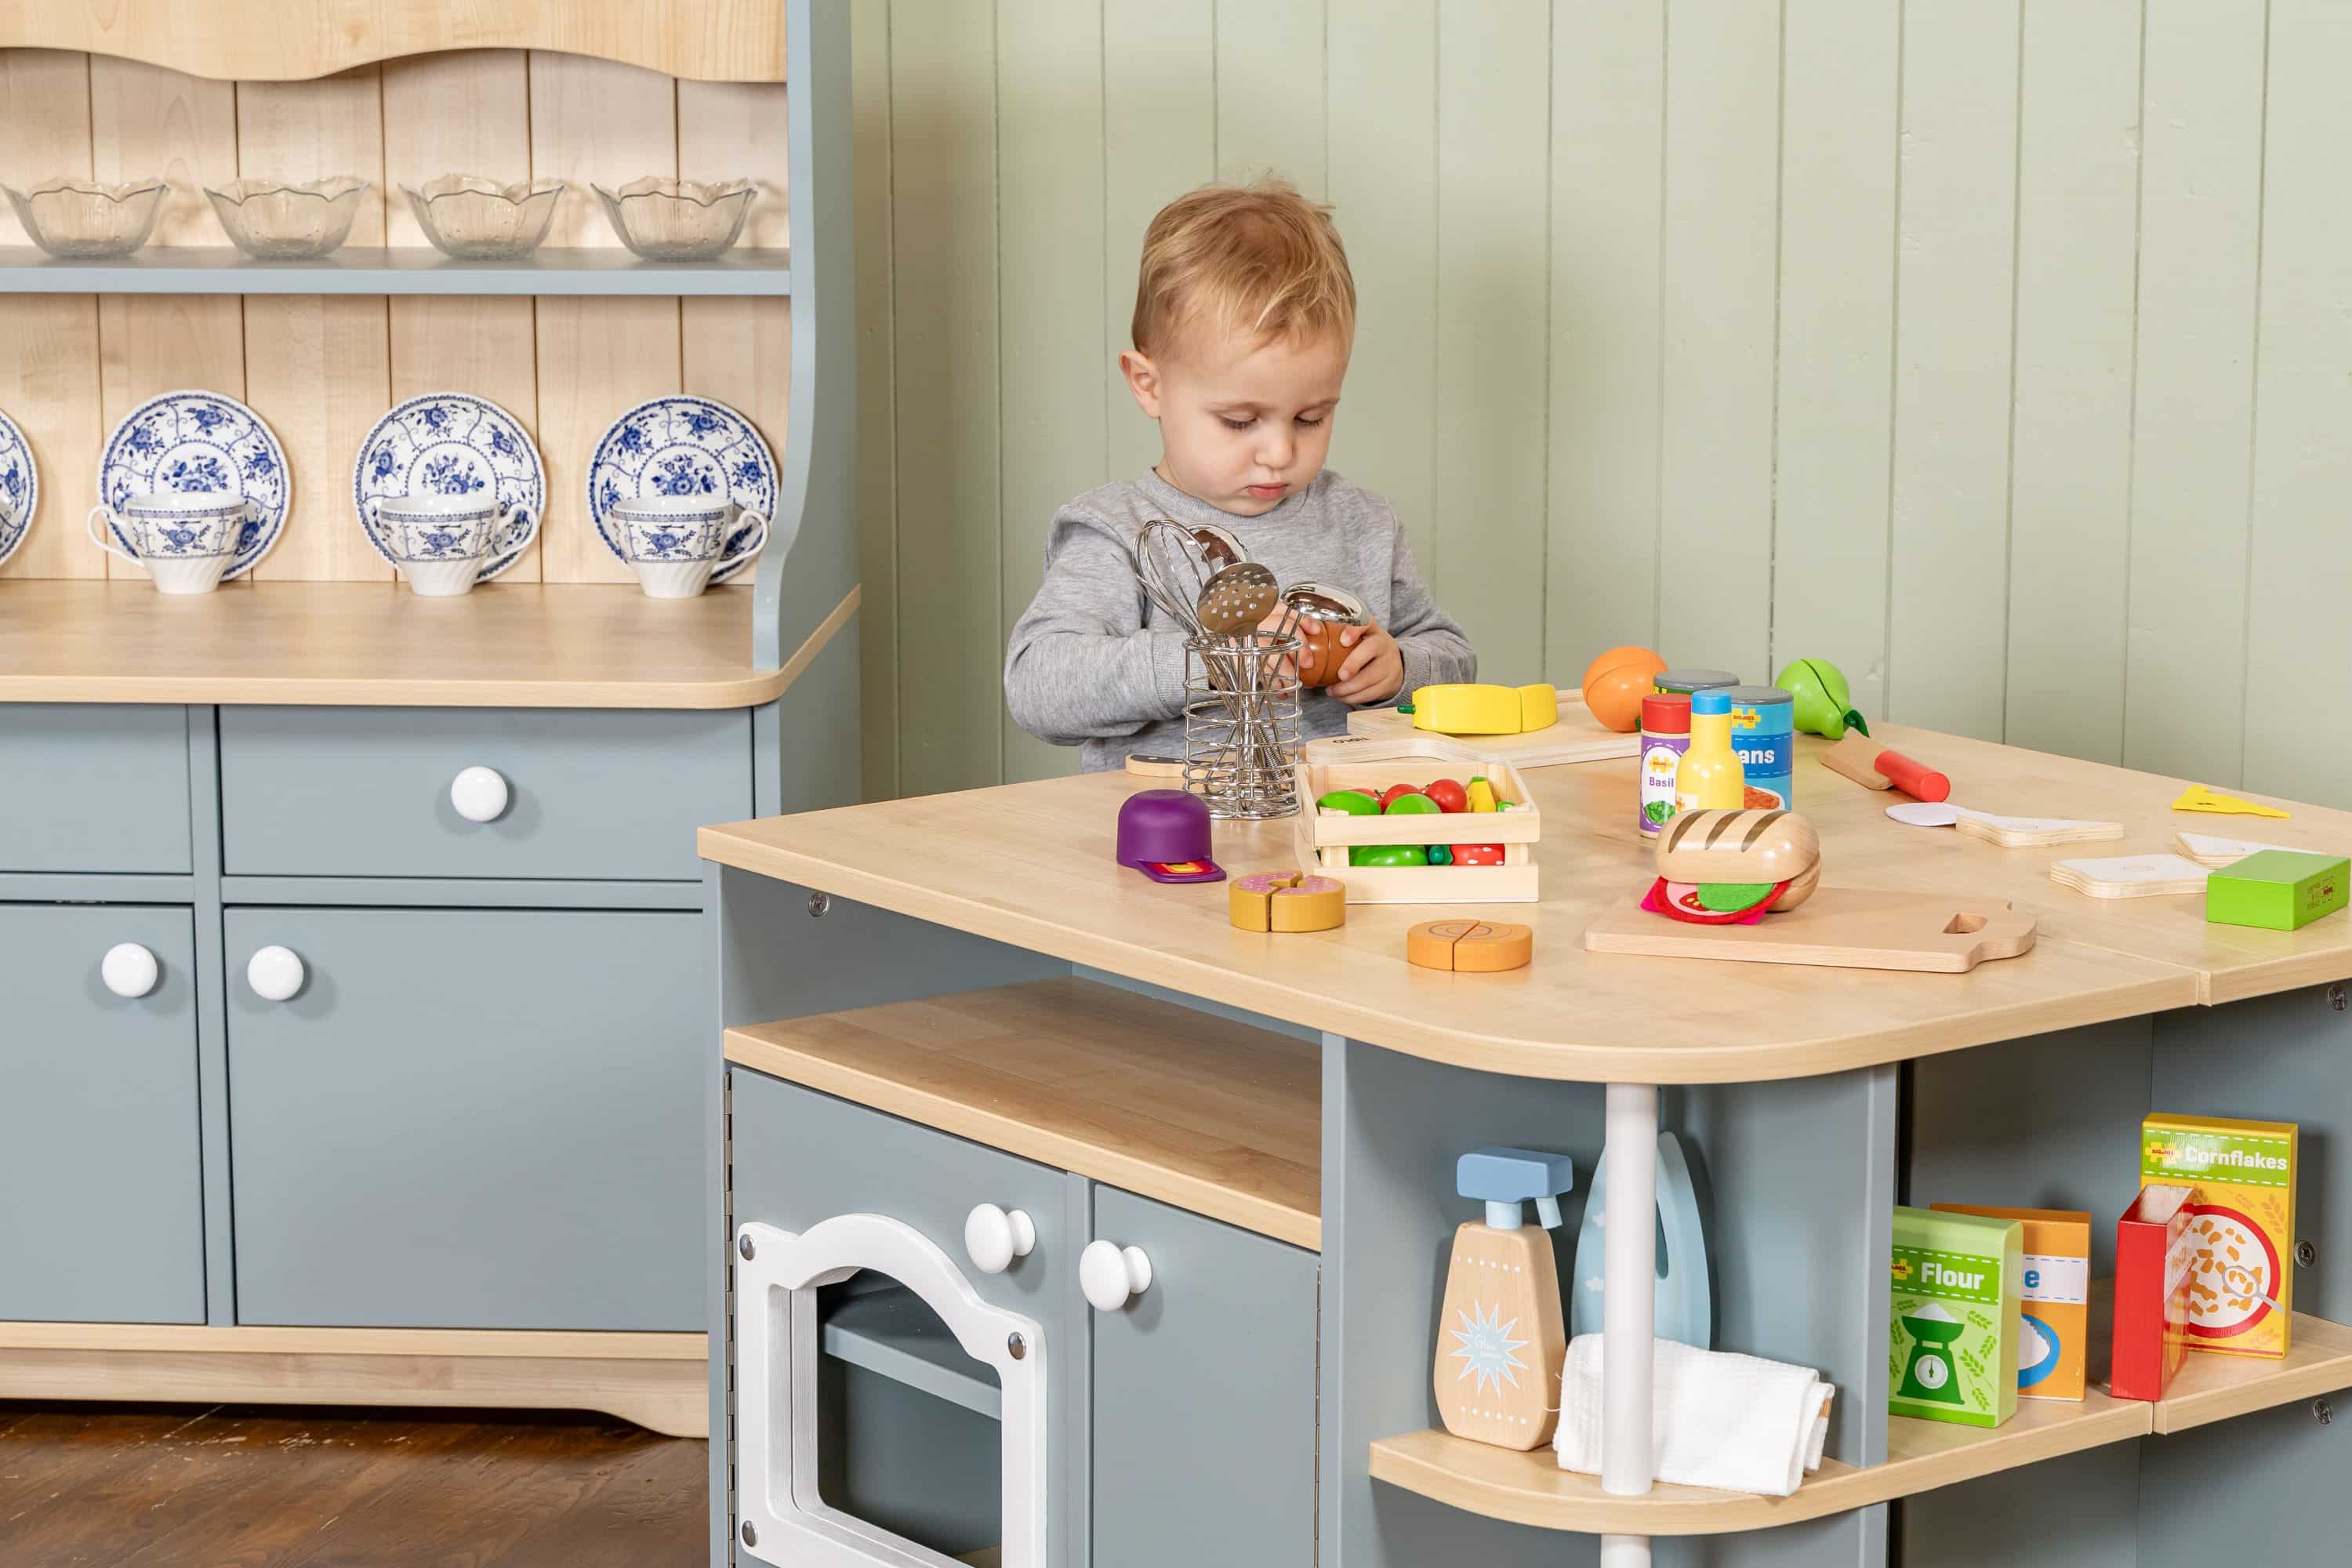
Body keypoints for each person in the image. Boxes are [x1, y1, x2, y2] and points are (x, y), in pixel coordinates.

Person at [1004, 178, 1476, 773]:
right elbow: (1040, 688)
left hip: (1337, 816)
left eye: (1311, 417)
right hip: (1167, 824)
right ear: (1149, 386)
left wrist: (1401, 668)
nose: (1278, 452)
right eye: (1239, 421)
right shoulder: (1116, 530)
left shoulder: (1362, 522)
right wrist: (1206, 661)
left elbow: (1453, 658)